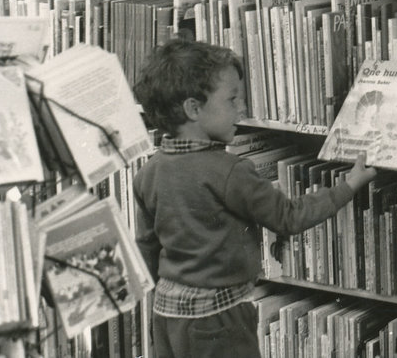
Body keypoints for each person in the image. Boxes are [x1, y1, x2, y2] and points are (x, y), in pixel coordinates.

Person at [132, 39, 376, 358]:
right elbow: (288, 217)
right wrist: (348, 186)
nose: (242, 108)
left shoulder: (148, 172)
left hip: (166, 313)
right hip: (219, 317)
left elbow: (147, 247)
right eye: (232, 99)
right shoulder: (230, 171)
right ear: (194, 109)